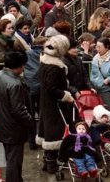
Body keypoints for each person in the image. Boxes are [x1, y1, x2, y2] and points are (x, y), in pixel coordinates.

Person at [38, 36, 75, 173]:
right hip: (55, 105)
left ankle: (47, 162)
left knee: (47, 132)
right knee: (54, 134)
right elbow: (52, 88)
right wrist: (66, 96)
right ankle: (51, 164)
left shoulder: (44, 61)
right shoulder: (55, 66)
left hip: (46, 102)